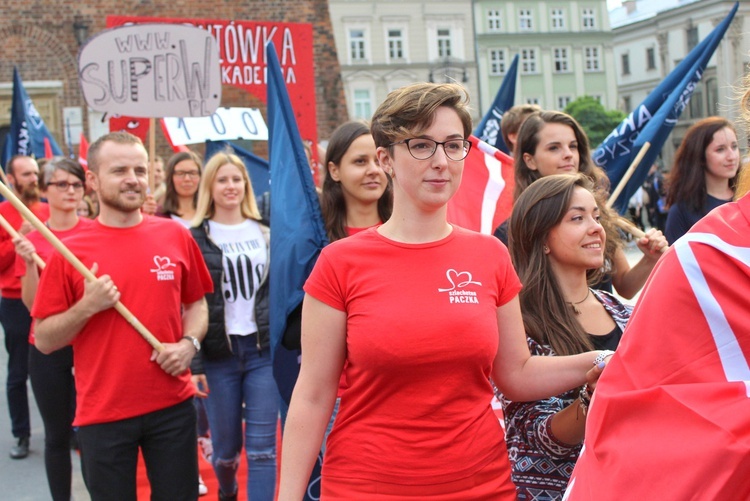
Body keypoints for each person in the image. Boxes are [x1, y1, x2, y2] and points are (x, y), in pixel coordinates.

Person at [277, 82, 612, 500]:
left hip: (480, 486)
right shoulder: (340, 263)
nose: (440, 161)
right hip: (366, 487)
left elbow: (516, 373)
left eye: (453, 146)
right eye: (421, 145)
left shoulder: (490, 255)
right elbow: (312, 395)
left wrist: (603, 360)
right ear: (387, 159)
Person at [31, 131, 212, 501]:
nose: (133, 178)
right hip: (103, 413)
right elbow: (46, 339)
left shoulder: (174, 235)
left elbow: (197, 304)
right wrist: (87, 306)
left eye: (140, 169)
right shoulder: (69, 252)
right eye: (120, 170)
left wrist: (188, 344)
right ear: (93, 181)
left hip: (172, 407)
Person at [499, 173, 632, 500]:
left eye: (596, 217)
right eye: (577, 218)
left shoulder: (623, 312)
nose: (595, 228)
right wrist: (590, 402)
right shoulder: (517, 319)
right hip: (557, 490)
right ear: (542, 237)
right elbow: (531, 433)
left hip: (626, 484)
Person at [496, 110, 667, 299]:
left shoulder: (599, 217)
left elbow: (625, 287)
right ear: (530, 160)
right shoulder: (512, 231)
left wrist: (650, 259)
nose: (568, 155)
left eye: (573, 146)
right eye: (554, 148)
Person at [190, 152, 277, 501]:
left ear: (246, 185)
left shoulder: (267, 232)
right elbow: (189, 302)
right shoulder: (195, 236)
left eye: (236, 179)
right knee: (226, 451)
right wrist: (194, 361)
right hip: (217, 356)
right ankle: (227, 490)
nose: (231, 186)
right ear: (210, 186)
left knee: (263, 450)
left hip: (261, 353)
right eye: (222, 180)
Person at [12, 157, 94, 501]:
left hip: (92, 345)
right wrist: (29, 262)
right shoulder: (34, 237)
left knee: (92, 433)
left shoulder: (96, 231)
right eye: (61, 184)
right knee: (58, 436)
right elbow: (32, 306)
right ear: (44, 191)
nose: (70, 191)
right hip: (48, 348)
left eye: (76, 184)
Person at [0, 155, 49, 459]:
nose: (33, 178)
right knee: (20, 370)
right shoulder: (3, 214)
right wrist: (22, 237)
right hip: (15, 300)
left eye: (35, 173)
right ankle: (21, 433)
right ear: (12, 178)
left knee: (58, 366)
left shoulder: (47, 209)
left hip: (50, 297)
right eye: (26, 174)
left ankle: (68, 428)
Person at [664, 116, 741, 244]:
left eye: (734, 147)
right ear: (700, 156)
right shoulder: (681, 212)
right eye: (720, 149)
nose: (732, 156)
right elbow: (674, 260)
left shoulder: (745, 199)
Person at [159, 151, 203, 227]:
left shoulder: (211, 215)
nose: (187, 179)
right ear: (171, 177)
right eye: (180, 173)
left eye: (192, 173)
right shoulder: (158, 216)